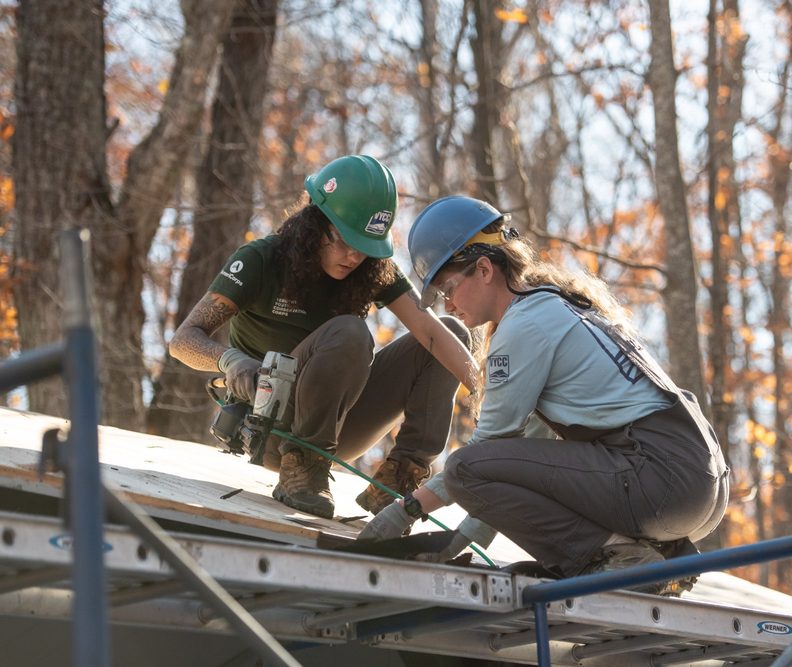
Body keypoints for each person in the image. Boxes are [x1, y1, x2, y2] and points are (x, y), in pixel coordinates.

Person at [360, 196, 729, 593]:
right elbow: (518, 462)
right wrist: (461, 539)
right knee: (478, 468)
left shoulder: (524, 326)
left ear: (484, 269)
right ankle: (661, 554)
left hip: (658, 477)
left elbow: (482, 459)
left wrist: (405, 511)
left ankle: (616, 556)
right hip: (695, 483)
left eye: (448, 288)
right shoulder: (555, 308)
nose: (448, 304)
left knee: (467, 465)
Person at [169, 155, 476, 520]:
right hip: (273, 429)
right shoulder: (261, 260)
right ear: (315, 223)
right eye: (343, 240)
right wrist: (229, 360)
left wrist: (497, 395)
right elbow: (183, 340)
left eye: (364, 247)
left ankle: (398, 482)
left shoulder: (373, 271)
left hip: (340, 429)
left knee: (451, 335)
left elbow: (431, 333)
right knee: (349, 331)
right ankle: (302, 470)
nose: (353, 256)